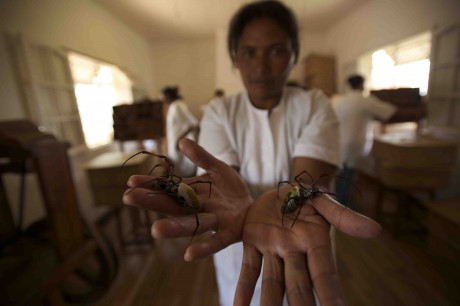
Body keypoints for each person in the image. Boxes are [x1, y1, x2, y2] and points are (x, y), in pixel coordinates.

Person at [124, 1, 382, 305]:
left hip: (302, 240)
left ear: (293, 55)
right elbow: (221, 181)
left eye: (275, 50)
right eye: (248, 52)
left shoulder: (315, 104)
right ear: (235, 57)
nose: (261, 66)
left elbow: (309, 182)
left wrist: (295, 196)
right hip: (238, 247)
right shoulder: (220, 112)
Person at [333, 74, 422, 207]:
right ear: (362, 85)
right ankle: (343, 204)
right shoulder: (365, 100)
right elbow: (389, 111)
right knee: (348, 175)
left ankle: (338, 201)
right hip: (355, 144)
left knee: (341, 174)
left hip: (340, 143)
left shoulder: (341, 101)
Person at [162, 86, 199, 177]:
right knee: (176, 170)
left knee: (183, 173)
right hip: (175, 144)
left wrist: (179, 140)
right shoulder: (173, 106)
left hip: (179, 144)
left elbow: (193, 124)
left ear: (168, 96)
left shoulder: (178, 105)